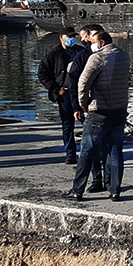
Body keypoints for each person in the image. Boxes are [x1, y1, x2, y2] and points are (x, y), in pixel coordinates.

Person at [63, 31, 130, 202]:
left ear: (102, 43)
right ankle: (115, 190)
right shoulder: (124, 56)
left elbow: (83, 82)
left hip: (99, 111)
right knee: (116, 150)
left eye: (92, 41)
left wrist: (83, 104)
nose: (90, 44)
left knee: (87, 150)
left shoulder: (97, 57)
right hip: (119, 109)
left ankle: (78, 190)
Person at [66, 24, 107, 192]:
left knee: (103, 146)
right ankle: (98, 180)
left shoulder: (110, 55)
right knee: (93, 147)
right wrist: (77, 106)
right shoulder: (83, 56)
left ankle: (107, 181)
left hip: (104, 105)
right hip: (91, 106)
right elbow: (74, 82)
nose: (86, 40)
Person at [38, 27, 84, 164]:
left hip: (81, 92)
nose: (71, 39)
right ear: (61, 37)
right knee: (67, 124)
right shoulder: (53, 55)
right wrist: (56, 89)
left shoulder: (81, 52)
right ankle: (70, 153)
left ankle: (92, 153)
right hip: (65, 94)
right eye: (68, 36)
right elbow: (42, 74)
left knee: (87, 123)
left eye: (73, 37)